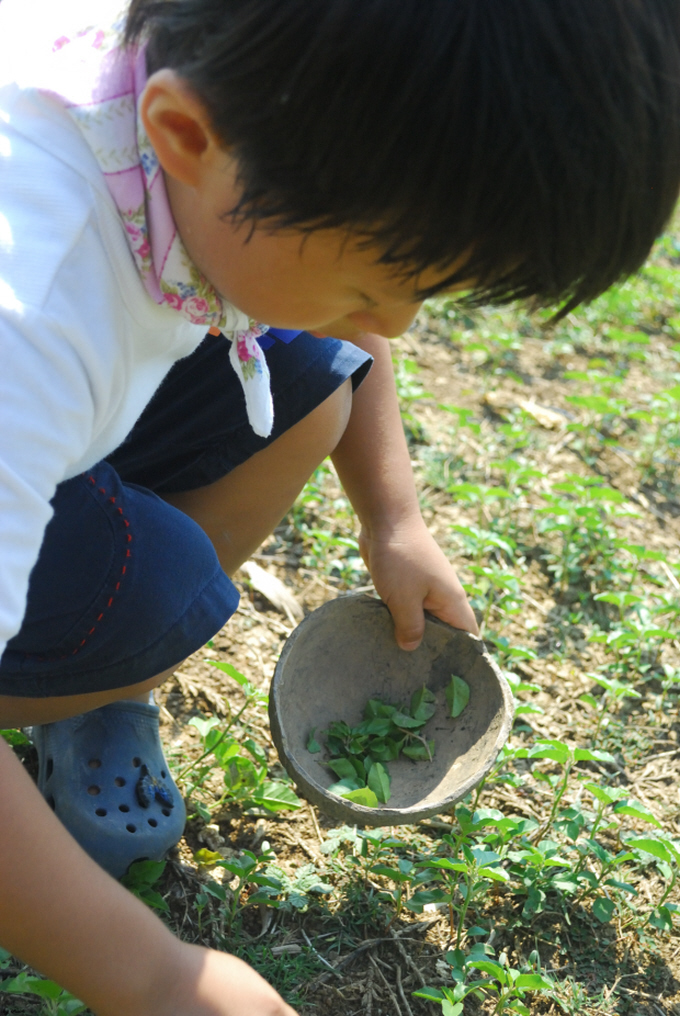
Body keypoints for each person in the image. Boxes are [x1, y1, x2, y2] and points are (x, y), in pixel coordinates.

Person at [0, 0, 679, 1012]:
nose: (396, 321)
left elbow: (353, 343)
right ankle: (70, 678)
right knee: (158, 595)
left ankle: (90, 694)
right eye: (379, 278)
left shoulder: (214, 104)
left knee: (314, 382)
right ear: (185, 135)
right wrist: (153, 972)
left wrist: (392, 517)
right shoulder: (31, 310)